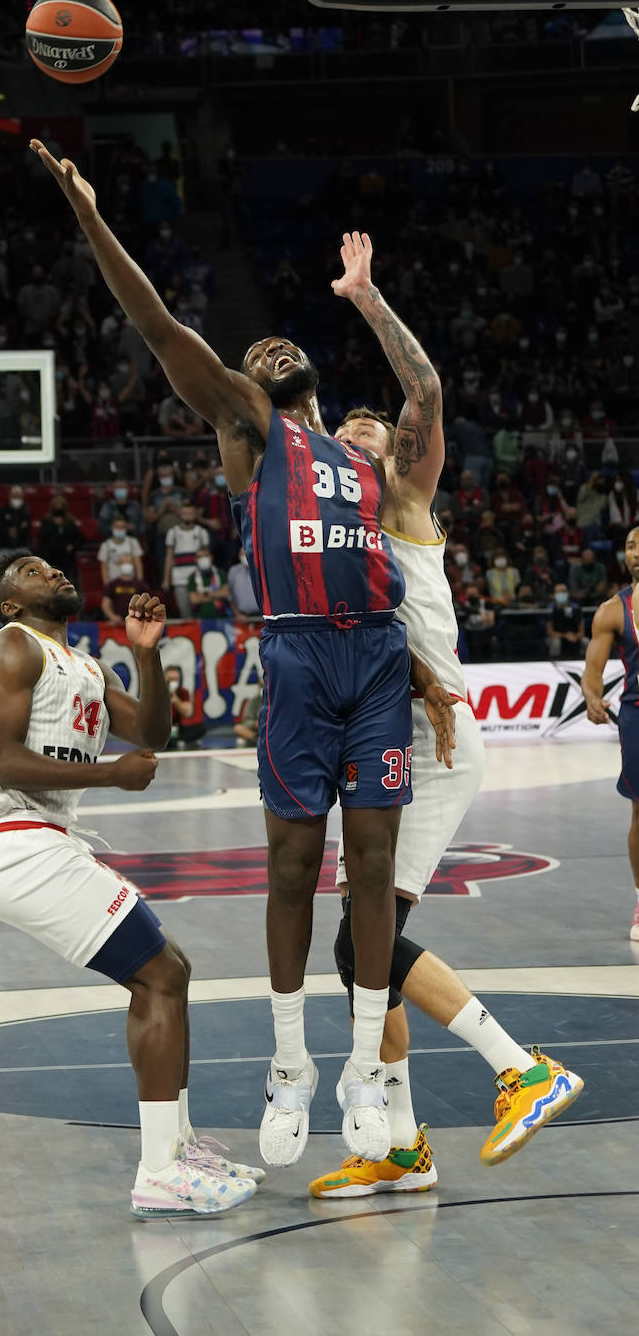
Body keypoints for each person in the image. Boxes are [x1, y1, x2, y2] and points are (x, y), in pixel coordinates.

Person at [31, 143, 413, 1170]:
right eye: (256, 348)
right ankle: (290, 1067)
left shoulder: (367, 457)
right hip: (295, 661)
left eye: (286, 339)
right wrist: (91, 218)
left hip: (377, 659)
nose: (271, 346)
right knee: (293, 868)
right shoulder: (251, 426)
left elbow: (424, 386)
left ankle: (364, 1072)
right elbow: (158, 324)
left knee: (371, 867)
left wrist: (371, 301)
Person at [309, 230, 582, 1201]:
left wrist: (368, 298)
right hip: (377, 739)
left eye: (369, 435)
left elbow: (421, 394)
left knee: (359, 945)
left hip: (435, 735)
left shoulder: (402, 504)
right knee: (357, 958)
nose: (357, 441)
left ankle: (523, 1069)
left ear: (397, 459)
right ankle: (401, 1145)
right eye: (342, 436)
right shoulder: (329, 540)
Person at [0, 550, 262, 1217]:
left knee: (167, 972)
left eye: (51, 566)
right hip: (14, 845)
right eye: (32, 571)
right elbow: (6, 764)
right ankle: (159, 1170)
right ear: (11, 603)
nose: (52, 573)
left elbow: (156, 732)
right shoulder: (13, 648)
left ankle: (176, 1151)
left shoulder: (87, 666)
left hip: (44, 843)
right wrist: (109, 775)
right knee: (161, 974)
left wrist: (148, 654)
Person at [581, 526, 639, 941]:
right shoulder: (613, 611)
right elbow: (592, 674)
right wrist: (592, 699)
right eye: (631, 546)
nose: (635, 552)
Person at [162, 500, 209, 618]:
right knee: (184, 611)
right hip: (179, 578)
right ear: (180, 514)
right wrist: (166, 579)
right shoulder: (173, 532)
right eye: (185, 513)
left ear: (194, 514)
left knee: (201, 610)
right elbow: (169, 557)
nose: (187, 515)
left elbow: (207, 556)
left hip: (198, 578)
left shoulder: (201, 532)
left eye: (190, 513)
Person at [37, 494, 82, 584]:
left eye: (60, 505)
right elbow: (42, 536)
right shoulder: (46, 520)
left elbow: (79, 537)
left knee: (66, 580)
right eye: (56, 505)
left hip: (66, 558)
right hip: (50, 556)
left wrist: (72, 546)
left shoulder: (70, 520)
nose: (58, 508)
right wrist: (53, 525)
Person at [164, 666, 207, 750]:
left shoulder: (183, 692)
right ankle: (170, 741)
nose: (173, 682)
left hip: (178, 727)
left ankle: (177, 740)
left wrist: (176, 701)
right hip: (163, 728)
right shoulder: (158, 691)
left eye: (175, 679)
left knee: (201, 727)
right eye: (170, 679)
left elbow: (187, 713)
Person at [97, 515, 144, 585]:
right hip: (114, 584)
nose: (119, 529)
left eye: (122, 527)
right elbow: (104, 569)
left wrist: (139, 584)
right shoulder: (106, 545)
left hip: (131, 584)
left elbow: (138, 566)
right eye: (117, 527)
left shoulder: (133, 542)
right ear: (112, 528)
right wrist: (107, 588)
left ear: (126, 528)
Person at [100, 561, 150, 626]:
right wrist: (113, 617)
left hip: (136, 623)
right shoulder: (112, 585)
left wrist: (140, 617)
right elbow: (105, 604)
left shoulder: (141, 585)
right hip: (117, 624)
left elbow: (148, 605)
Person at [187, 547, 231, 619]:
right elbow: (194, 599)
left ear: (211, 557)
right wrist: (216, 594)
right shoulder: (192, 577)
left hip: (221, 617)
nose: (203, 559)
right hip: (200, 619)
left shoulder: (220, 573)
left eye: (206, 556)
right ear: (195, 560)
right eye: (199, 557)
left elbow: (225, 593)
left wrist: (204, 595)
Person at [0, 485, 31, 556]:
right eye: (14, 496)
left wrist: (16, 531)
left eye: (19, 496)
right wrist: (8, 531)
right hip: (4, 547)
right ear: (10, 497)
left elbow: (27, 529)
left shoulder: (25, 513)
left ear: (22, 497)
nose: (16, 498)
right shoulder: (1, 512)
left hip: (22, 547)